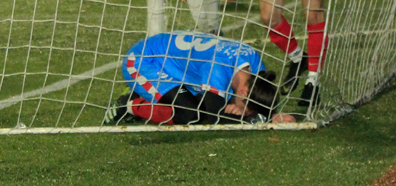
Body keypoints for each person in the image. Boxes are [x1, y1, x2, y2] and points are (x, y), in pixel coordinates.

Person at [104, 31, 293, 126]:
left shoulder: (255, 67)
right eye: (247, 111)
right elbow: (211, 117)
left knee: (196, 105)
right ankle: (130, 104)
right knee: (191, 115)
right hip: (144, 61)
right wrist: (257, 122)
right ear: (242, 92)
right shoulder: (218, 68)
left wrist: (274, 114)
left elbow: (260, 97)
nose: (245, 114)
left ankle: (152, 94)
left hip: (176, 66)